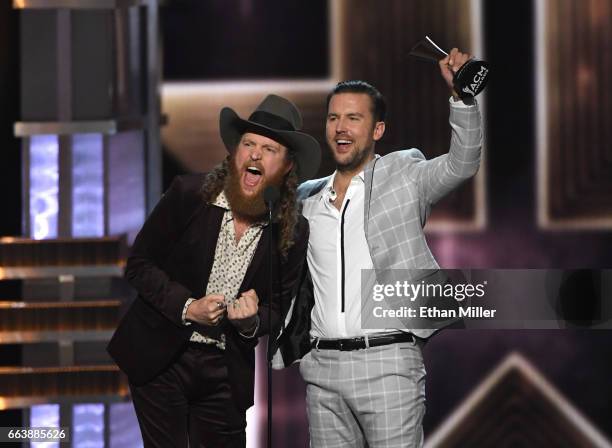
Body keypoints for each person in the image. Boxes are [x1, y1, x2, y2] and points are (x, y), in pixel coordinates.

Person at [277, 49, 482, 447]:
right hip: (321, 369)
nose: (341, 127)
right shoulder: (306, 199)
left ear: (377, 130)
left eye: (354, 118)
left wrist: (463, 98)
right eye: (334, 117)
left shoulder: (405, 174)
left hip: (387, 362)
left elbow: (463, 163)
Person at [107, 94, 321, 447]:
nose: (254, 154)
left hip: (225, 369)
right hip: (163, 358)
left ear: (286, 168)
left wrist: (251, 322)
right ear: (234, 153)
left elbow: (277, 309)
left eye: (269, 150)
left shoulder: (292, 232)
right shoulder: (189, 195)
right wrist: (188, 307)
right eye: (248, 144)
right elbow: (139, 264)